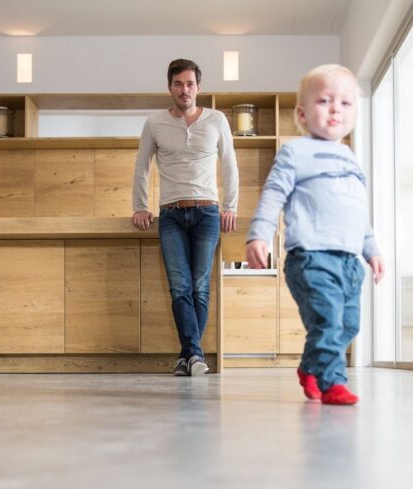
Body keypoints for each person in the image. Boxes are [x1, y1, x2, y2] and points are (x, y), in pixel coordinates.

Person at [245, 64, 385, 406]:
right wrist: (258, 234)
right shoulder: (296, 152)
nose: (336, 108)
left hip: (349, 262)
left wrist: (372, 250)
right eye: (325, 100)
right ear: (303, 114)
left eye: (346, 102)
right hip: (311, 257)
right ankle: (332, 382)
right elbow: (273, 193)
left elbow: (357, 211)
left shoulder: (351, 158)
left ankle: (310, 367)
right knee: (326, 320)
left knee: (348, 325)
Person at [132, 58, 238, 377]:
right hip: (171, 215)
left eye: (190, 83)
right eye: (178, 83)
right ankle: (193, 354)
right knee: (180, 287)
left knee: (200, 286)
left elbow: (230, 163)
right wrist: (140, 205)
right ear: (170, 87)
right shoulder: (154, 123)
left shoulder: (217, 120)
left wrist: (230, 205)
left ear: (198, 88)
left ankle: (188, 355)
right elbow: (142, 166)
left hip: (207, 211)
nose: (185, 89)